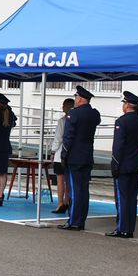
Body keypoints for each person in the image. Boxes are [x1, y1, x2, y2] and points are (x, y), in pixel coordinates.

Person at [58, 86, 100, 231]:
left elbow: (68, 137)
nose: (75, 100)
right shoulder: (94, 114)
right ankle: (81, 220)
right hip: (87, 156)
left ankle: (74, 221)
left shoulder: (74, 114)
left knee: (74, 190)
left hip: (74, 157)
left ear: (80, 99)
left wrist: (64, 155)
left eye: (76, 97)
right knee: (83, 190)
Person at [107, 91, 138, 238]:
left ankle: (122, 228)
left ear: (127, 105)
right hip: (135, 163)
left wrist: (115, 164)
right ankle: (129, 227)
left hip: (123, 164)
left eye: (124, 103)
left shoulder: (122, 121)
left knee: (122, 198)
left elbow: (118, 146)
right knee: (131, 198)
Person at [50, 98, 74, 214]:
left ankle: (60, 203)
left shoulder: (62, 121)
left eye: (64, 105)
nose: (62, 107)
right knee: (69, 181)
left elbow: (58, 138)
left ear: (67, 107)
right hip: (72, 154)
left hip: (60, 154)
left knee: (60, 180)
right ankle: (67, 201)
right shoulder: (76, 120)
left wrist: (52, 151)